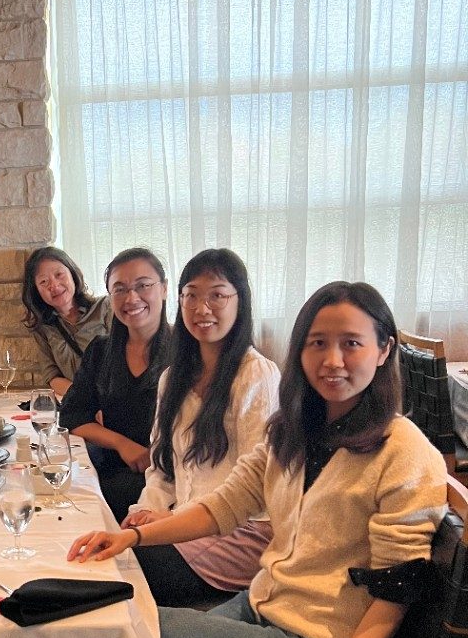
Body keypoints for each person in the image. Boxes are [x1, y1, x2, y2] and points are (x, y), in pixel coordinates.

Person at [69, 280, 447, 638]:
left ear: (384, 349)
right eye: (317, 343)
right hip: (261, 605)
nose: (332, 360)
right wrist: (133, 535)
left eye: (351, 344)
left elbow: (395, 593)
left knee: (125, 619)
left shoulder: (403, 451)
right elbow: (221, 507)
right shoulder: (293, 432)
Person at [122, 249, 280, 606]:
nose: (201, 308)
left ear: (241, 302)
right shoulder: (172, 379)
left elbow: (255, 486)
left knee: (127, 572)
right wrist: (143, 515)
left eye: (217, 295)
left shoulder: (256, 375)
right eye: (191, 295)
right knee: (118, 547)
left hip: (242, 529)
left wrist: (167, 520)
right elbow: (162, 469)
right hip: (185, 522)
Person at [59, 247, 171, 522]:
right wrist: (122, 444)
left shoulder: (188, 351)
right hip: (115, 470)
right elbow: (73, 415)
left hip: (172, 483)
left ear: (165, 289)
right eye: (120, 289)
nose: (132, 298)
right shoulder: (101, 350)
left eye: (143, 285)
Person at [21, 246, 112, 395]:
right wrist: (84, 399)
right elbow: (52, 376)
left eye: (59, 274)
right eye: (44, 282)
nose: (54, 286)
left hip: (115, 401)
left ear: (72, 273)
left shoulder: (106, 307)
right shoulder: (43, 328)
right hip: (79, 404)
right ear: (36, 291)